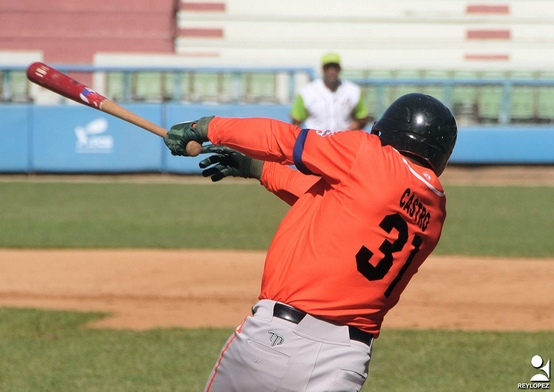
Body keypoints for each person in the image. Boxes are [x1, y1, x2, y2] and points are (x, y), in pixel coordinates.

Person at [164, 93, 458, 391]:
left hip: (277, 341)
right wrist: (260, 169)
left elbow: (282, 139)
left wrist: (206, 126)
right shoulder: (434, 210)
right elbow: (340, 202)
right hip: (346, 363)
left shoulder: (369, 155)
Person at [290, 53, 370, 131]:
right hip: (316, 141)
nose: (331, 71)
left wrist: (357, 124)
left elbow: (362, 118)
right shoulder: (307, 92)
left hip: (343, 140)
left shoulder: (353, 91)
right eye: (328, 67)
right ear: (322, 68)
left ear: (340, 68)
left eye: (335, 67)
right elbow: (296, 120)